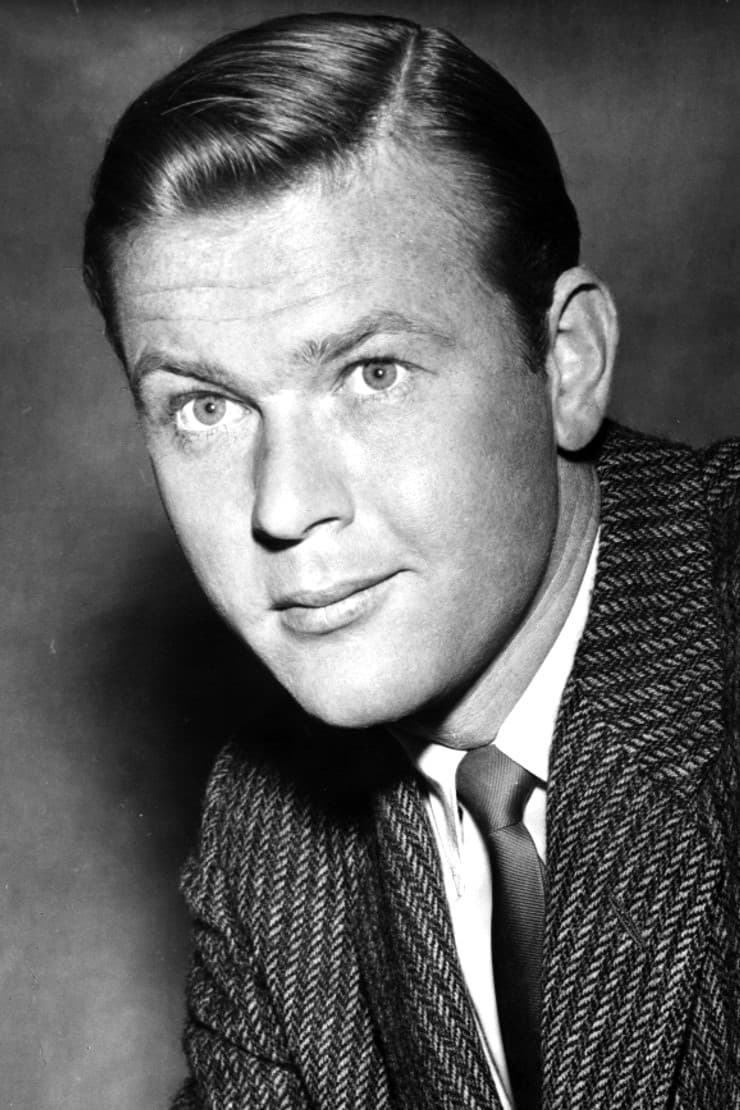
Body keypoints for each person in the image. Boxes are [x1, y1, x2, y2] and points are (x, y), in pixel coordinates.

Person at [82, 12, 740, 1109]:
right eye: (204, 407)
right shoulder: (268, 835)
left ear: (567, 362)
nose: (283, 507)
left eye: (371, 374)